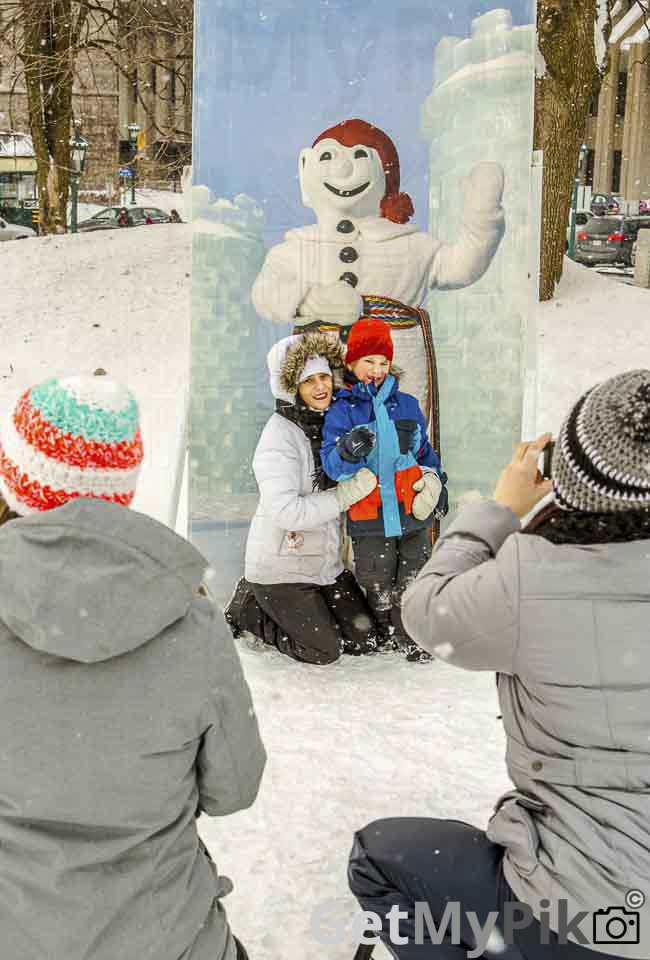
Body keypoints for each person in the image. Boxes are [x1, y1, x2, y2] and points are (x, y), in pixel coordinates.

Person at [348, 369, 650, 959]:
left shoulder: (530, 578)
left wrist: (499, 511)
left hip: (581, 908)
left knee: (378, 858)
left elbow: (427, 611)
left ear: (568, 473)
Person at [0, 372, 265, 960]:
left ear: (14, 472)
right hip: (168, 939)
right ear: (124, 484)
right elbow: (234, 789)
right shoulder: (193, 628)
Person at [241, 332, 381, 665]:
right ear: (292, 388)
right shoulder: (279, 437)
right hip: (281, 570)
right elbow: (286, 512)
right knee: (324, 650)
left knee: (365, 640)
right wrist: (344, 495)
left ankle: (309, 611)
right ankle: (250, 613)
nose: (321, 387)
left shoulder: (329, 423)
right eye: (308, 381)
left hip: (323, 565)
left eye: (323, 377)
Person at [321, 317, 448, 662]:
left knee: (414, 576)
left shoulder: (406, 404)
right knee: (376, 579)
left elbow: (423, 452)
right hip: (370, 516)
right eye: (368, 362)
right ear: (352, 363)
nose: (376, 370)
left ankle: (412, 637)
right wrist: (347, 450)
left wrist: (439, 481)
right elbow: (332, 466)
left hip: (411, 513)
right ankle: (382, 631)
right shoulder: (342, 410)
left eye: (383, 362)